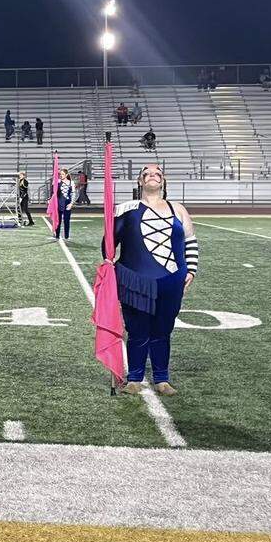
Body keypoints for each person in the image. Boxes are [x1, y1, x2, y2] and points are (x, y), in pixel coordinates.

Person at [107, 164, 198, 396]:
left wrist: (191, 270)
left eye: (157, 173)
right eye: (146, 173)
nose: (152, 175)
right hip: (135, 280)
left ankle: (162, 379)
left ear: (164, 180)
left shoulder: (178, 209)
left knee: (162, 330)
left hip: (171, 281)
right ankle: (135, 377)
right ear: (140, 181)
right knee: (137, 330)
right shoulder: (127, 209)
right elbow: (108, 243)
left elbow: (190, 241)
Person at [51, 168, 73, 241]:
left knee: (66, 220)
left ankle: (66, 236)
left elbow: (73, 193)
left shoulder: (71, 182)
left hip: (67, 203)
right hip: (59, 203)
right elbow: (53, 191)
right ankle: (57, 235)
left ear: (66, 175)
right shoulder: (57, 182)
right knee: (58, 220)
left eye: (63, 174)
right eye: (60, 174)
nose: (61, 175)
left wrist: (71, 203)